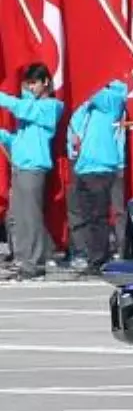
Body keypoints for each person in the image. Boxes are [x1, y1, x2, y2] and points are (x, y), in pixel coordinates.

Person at [0, 63, 64, 281]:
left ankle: (34, 264)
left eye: (34, 83)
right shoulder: (29, 110)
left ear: (46, 82)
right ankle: (23, 259)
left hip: (33, 168)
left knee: (31, 217)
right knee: (16, 217)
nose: (30, 88)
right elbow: (17, 139)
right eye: (28, 84)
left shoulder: (51, 106)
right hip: (19, 166)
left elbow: (23, 108)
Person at [66, 80, 128, 274]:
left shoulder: (112, 101)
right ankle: (91, 256)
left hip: (102, 167)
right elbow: (74, 129)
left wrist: (96, 79)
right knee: (86, 217)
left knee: (98, 217)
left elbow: (92, 87)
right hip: (83, 167)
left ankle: (100, 258)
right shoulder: (87, 109)